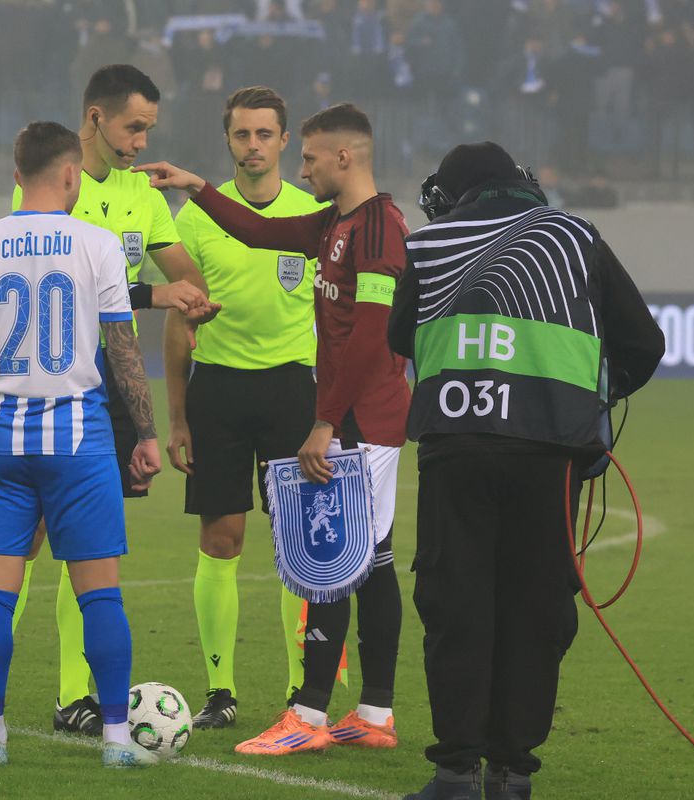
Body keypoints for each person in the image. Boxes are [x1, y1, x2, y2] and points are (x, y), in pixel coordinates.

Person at [388, 142, 665, 800]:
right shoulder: (573, 235)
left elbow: (402, 337)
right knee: (535, 609)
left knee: (456, 605)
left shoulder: (428, 246)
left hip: (456, 447)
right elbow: (644, 343)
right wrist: (591, 399)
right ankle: (512, 773)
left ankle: (456, 772)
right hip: (548, 452)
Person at [138, 102, 410, 755]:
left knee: (337, 562)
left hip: (362, 420)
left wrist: (322, 422)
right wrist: (197, 185)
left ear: (343, 157)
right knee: (368, 561)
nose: (304, 167)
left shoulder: (378, 229)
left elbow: (372, 340)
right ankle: (372, 715)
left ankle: (308, 717)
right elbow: (258, 232)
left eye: (311, 157)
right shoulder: (339, 224)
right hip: (348, 416)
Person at [0, 63, 215, 739]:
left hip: (107, 391)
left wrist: (194, 294)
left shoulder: (145, 196)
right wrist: (158, 295)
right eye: (133, 127)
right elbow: (89, 297)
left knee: (84, 549)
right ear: (94, 119)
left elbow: (182, 273)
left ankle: (72, 694)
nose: (139, 142)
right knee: (32, 544)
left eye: (149, 129)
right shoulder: (60, 189)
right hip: (57, 390)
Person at [0, 120, 161, 768]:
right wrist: (144, 434)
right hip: (80, 441)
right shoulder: (98, 245)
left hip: (0, 439)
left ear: (14, 174)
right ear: (71, 176)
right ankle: (116, 740)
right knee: (100, 596)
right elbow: (123, 350)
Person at [164, 85, 324, 728]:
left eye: (265, 135)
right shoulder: (197, 218)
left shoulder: (314, 215)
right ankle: (220, 692)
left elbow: (332, 320)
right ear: (227, 140)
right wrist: (176, 416)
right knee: (220, 539)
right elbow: (180, 320)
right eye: (242, 135)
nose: (253, 146)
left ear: (285, 141)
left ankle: (299, 693)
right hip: (220, 390)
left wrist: (329, 413)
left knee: (300, 548)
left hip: (294, 389)